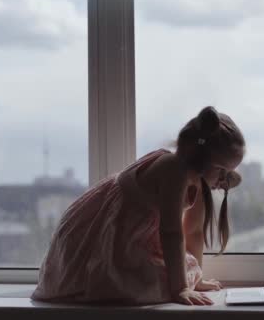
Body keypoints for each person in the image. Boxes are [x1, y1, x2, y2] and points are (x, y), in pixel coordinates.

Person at [31, 106, 246, 306]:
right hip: (109, 233)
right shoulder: (174, 169)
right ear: (201, 158)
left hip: (133, 235)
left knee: (168, 273)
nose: (224, 180)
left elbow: (193, 231)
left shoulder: (194, 178)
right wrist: (180, 288)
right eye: (222, 172)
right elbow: (171, 232)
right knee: (141, 284)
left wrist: (195, 277)